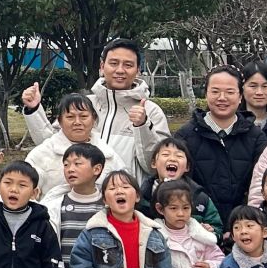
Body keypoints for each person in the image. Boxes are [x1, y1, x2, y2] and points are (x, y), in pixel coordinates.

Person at [21, 39, 168, 178]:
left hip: (124, 194)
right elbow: (51, 145)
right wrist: (34, 110)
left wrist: (143, 126)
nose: (120, 70)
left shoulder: (150, 111)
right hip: (78, 193)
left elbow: (155, 167)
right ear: (102, 67)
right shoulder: (84, 106)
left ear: (138, 70)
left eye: (128, 65)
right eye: (114, 63)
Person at [69, 169, 178, 268]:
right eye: (112, 188)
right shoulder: (93, 231)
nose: (119, 191)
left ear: (137, 196)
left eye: (125, 187)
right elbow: (80, 264)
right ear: (105, 199)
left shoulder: (154, 235)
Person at [177, 66, 267, 229]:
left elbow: (261, 185)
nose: (222, 98)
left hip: (244, 228)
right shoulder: (185, 136)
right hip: (196, 226)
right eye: (215, 91)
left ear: (240, 96)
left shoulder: (256, 137)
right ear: (206, 94)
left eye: (230, 92)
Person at [24, 93, 129, 187]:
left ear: (94, 119)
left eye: (83, 116)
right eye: (70, 117)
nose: (77, 122)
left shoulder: (108, 155)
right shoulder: (42, 154)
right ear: (59, 121)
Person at [151, 179, 222, 268]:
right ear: (160, 209)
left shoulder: (202, 236)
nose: (180, 214)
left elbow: (221, 262)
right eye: (173, 208)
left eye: (185, 208)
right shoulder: (155, 238)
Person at [140, 135, 221, 233]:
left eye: (179, 156)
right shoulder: (142, 197)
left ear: (187, 167)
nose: (172, 159)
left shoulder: (199, 197)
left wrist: (212, 231)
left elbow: (217, 227)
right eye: (165, 154)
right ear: (153, 163)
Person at [43, 142, 107, 262]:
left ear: (97, 169)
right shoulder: (55, 205)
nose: (70, 169)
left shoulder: (107, 205)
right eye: (66, 165)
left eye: (77, 164)